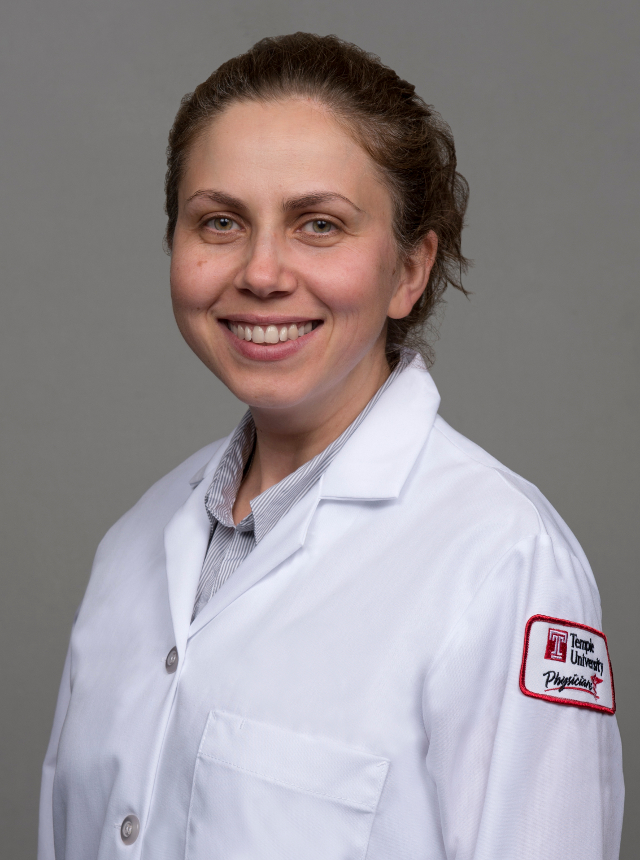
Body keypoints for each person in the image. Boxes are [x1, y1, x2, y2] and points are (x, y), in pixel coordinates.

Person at [38, 32, 624, 860]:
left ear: (410, 271)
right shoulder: (132, 545)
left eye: (319, 224)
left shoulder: (504, 562)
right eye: (220, 221)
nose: (262, 272)